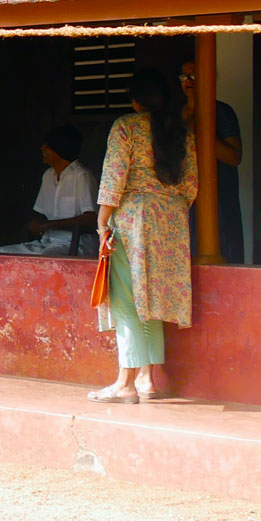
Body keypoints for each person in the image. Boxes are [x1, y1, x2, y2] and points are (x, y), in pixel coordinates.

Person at [91, 69, 198, 404]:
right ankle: (147, 379)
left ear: (135, 100)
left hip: (134, 218)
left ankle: (125, 384)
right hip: (172, 220)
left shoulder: (126, 127)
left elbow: (113, 178)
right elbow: (191, 185)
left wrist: (102, 223)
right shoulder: (181, 131)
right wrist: (169, 211)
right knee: (152, 300)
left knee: (126, 301)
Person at [0, 125, 97, 256]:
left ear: (60, 148)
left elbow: (91, 219)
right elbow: (41, 213)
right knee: (0, 253)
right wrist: (37, 224)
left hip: (76, 243)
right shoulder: (48, 175)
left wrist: (48, 225)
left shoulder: (82, 175)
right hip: (48, 241)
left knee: (43, 259)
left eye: (47, 146)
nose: (42, 149)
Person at [180, 59, 245, 264]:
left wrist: (201, 133)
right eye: (184, 76)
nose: (188, 81)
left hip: (217, 194)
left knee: (223, 248)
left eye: (194, 76)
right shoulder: (175, 115)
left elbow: (234, 157)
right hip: (182, 195)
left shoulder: (222, 112)